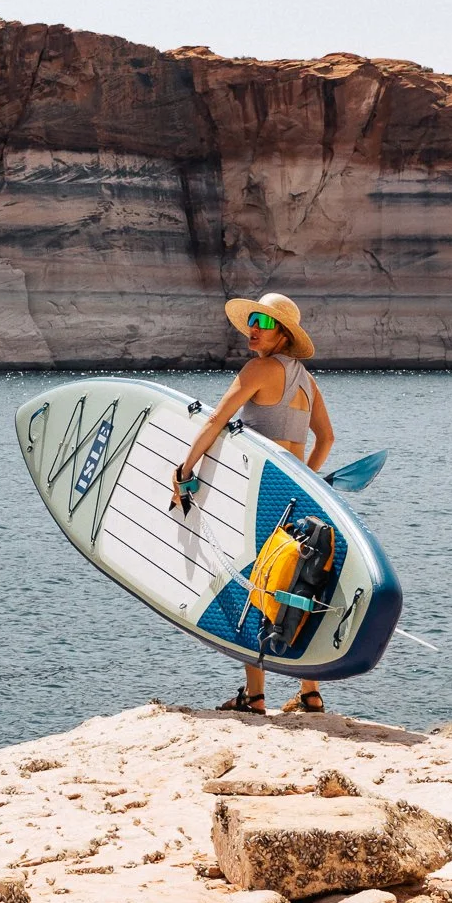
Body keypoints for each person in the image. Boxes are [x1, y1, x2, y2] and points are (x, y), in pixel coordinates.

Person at [169, 291, 335, 715]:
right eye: (253, 322)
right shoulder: (306, 380)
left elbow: (215, 420)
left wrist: (185, 469)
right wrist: (309, 479)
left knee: (254, 583)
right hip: (298, 494)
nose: (254, 331)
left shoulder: (259, 369)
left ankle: (255, 696)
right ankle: (309, 691)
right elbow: (326, 439)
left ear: (283, 334)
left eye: (264, 324)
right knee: (297, 583)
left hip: (262, 493)